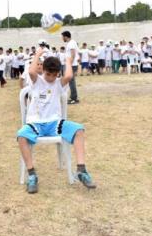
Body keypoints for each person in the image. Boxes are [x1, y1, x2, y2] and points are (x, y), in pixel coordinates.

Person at [16, 48, 96, 193]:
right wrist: (38, 55)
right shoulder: (37, 82)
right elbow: (32, 72)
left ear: (58, 73)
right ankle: (32, 174)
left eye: (54, 75)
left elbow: (69, 76)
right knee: (21, 136)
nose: (51, 78)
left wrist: (67, 60)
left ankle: (81, 170)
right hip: (35, 123)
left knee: (79, 129)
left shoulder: (59, 84)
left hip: (55, 123)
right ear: (44, 70)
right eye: (48, 74)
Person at [61, 31, 79, 104]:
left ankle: (73, 98)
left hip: (71, 65)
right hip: (72, 64)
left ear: (65, 36)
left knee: (71, 82)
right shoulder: (72, 42)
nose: (62, 38)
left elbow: (73, 55)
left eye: (62, 37)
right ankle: (73, 97)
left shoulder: (71, 43)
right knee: (71, 81)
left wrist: (69, 65)